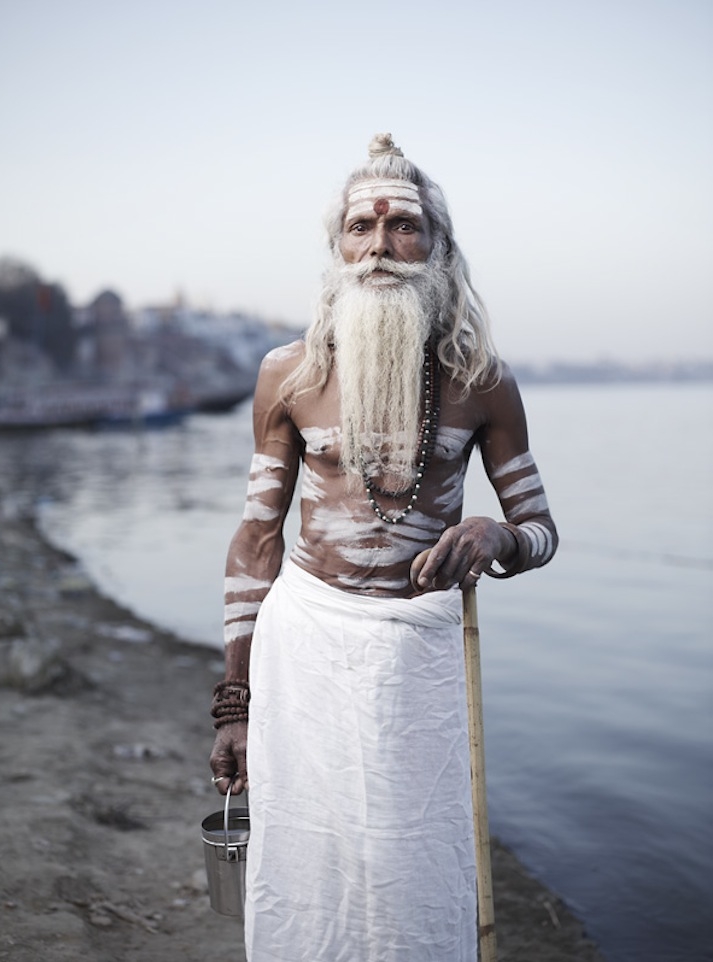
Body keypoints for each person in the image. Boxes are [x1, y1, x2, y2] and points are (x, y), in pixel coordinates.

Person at [209, 133, 558, 962]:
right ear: (336, 249)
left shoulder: (482, 381)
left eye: (401, 227)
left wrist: (494, 533)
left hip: (418, 652)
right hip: (304, 646)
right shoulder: (286, 376)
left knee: (412, 851)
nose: (378, 248)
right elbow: (257, 537)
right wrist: (233, 702)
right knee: (306, 852)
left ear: (437, 245)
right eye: (358, 228)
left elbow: (542, 532)